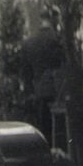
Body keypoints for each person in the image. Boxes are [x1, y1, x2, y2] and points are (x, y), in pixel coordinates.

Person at [20, 11, 63, 143]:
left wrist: (30, 93)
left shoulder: (29, 43)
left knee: (44, 129)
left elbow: (25, 73)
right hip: (57, 92)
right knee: (59, 130)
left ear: (41, 20)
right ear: (55, 19)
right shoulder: (58, 40)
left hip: (38, 91)